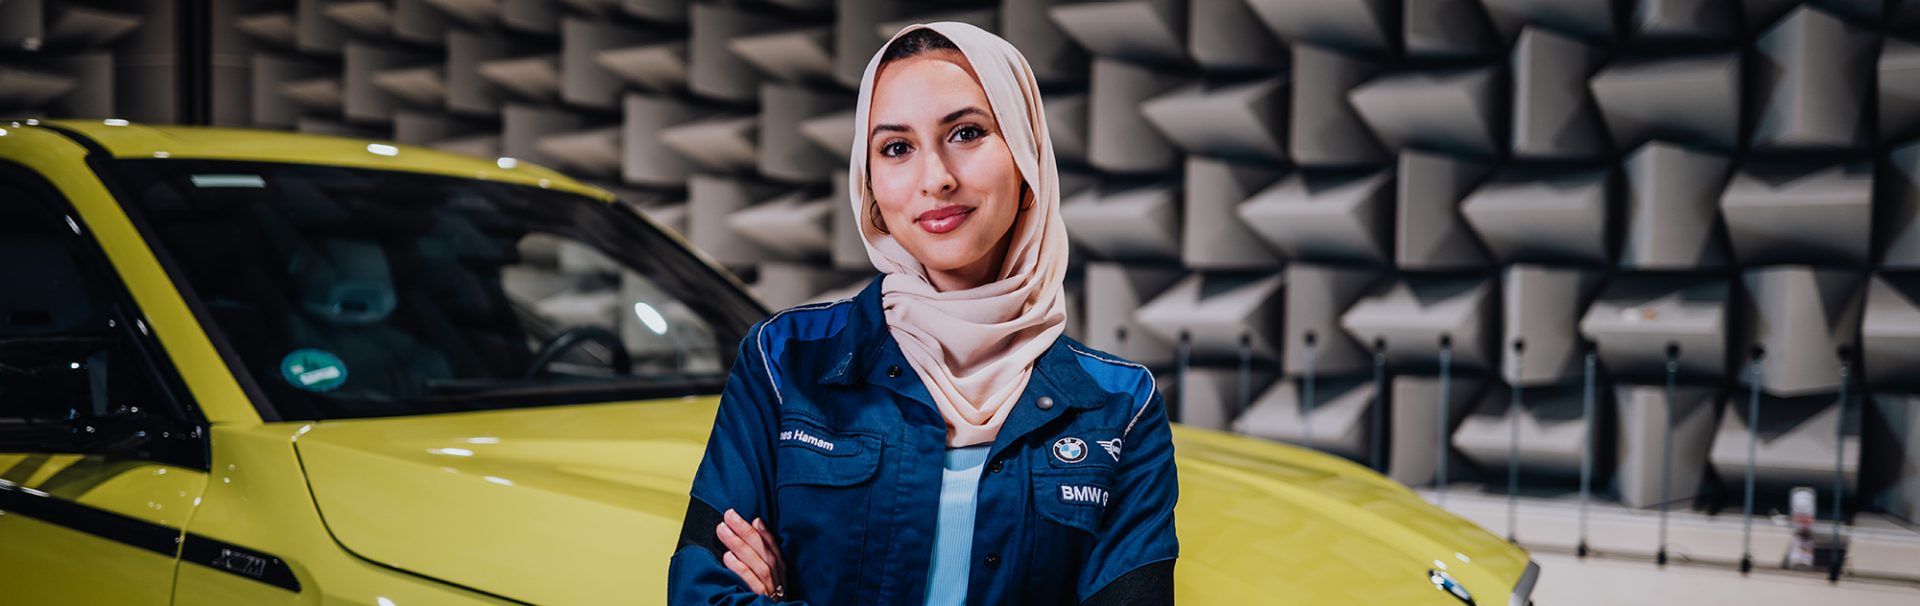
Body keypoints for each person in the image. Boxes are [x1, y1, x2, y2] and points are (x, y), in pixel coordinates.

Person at [667, 21, 1179, 605]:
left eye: (966, 132)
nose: (935, 178)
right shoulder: (784, 361)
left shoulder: (1119, 406)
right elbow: (701, 595)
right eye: (897, 148)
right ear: (870, 182)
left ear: (1026, 155)